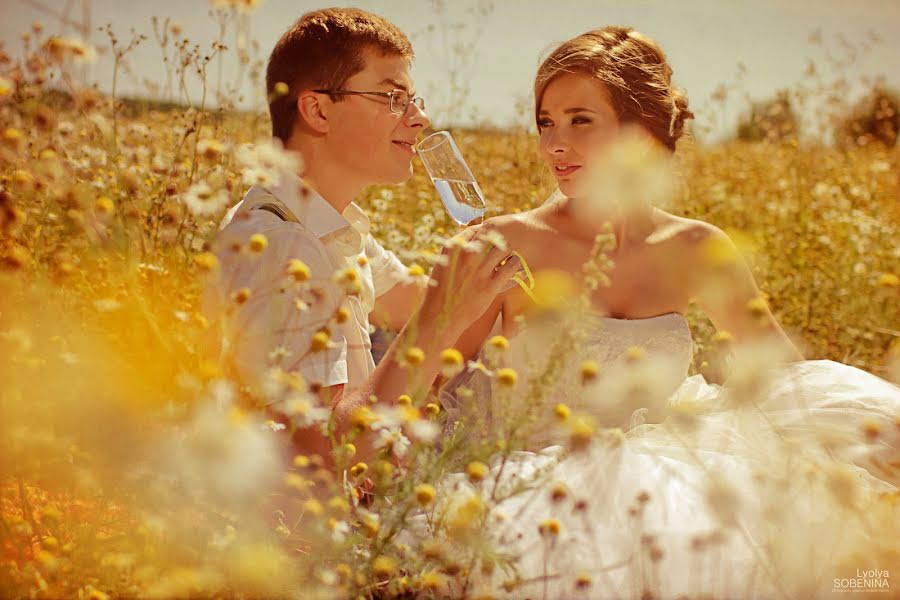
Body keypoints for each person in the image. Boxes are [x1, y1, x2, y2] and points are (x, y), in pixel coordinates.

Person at [427, 26, 900, 598]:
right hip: (526, 482)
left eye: (581, 121)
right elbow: (436, 382)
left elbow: (785, 378)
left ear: (643, 134)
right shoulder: (505, 242)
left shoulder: (697, 247)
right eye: (546, 122)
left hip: (656, 467)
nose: (555, 143)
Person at [204, 8, 523, 467]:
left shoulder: (327, 223)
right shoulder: (283, 245)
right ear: (317, 110)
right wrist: (443, 316)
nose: (420, 119)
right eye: (394, 98)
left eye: (415, 100)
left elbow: (411, 299)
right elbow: (330, 453)